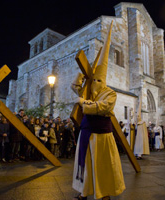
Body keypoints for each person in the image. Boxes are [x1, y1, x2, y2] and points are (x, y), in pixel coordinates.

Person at [72, 22, 125, 200]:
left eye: (98, 81)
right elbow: (74, 87)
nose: (95, 84)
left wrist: (84, 103)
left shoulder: (109, 93)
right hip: (87, 133)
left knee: (102, 165)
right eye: (93, 80)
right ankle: (84, 191)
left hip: (102, 136)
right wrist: (82, 75)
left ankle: (103, 193)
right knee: (85, 164)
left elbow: (103, 108)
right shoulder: (88, 90)